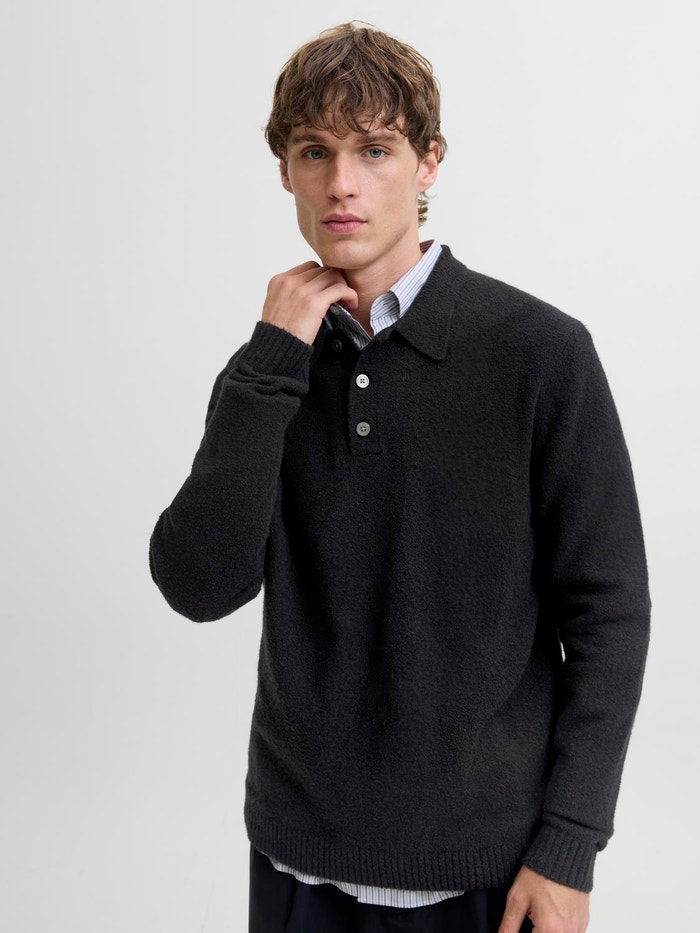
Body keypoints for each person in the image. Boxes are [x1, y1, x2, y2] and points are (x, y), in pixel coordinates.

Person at [148, 22, 651, 933]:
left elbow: (608, 613)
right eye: (316, 151)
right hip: (297, 860)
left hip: (488, 871)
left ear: (428, 163)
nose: (341, 183)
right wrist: (270, 367)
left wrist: (570, 845)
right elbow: (199, 585)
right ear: (286, 172)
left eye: (374, 149)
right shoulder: (268, 369)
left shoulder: (540, 353)